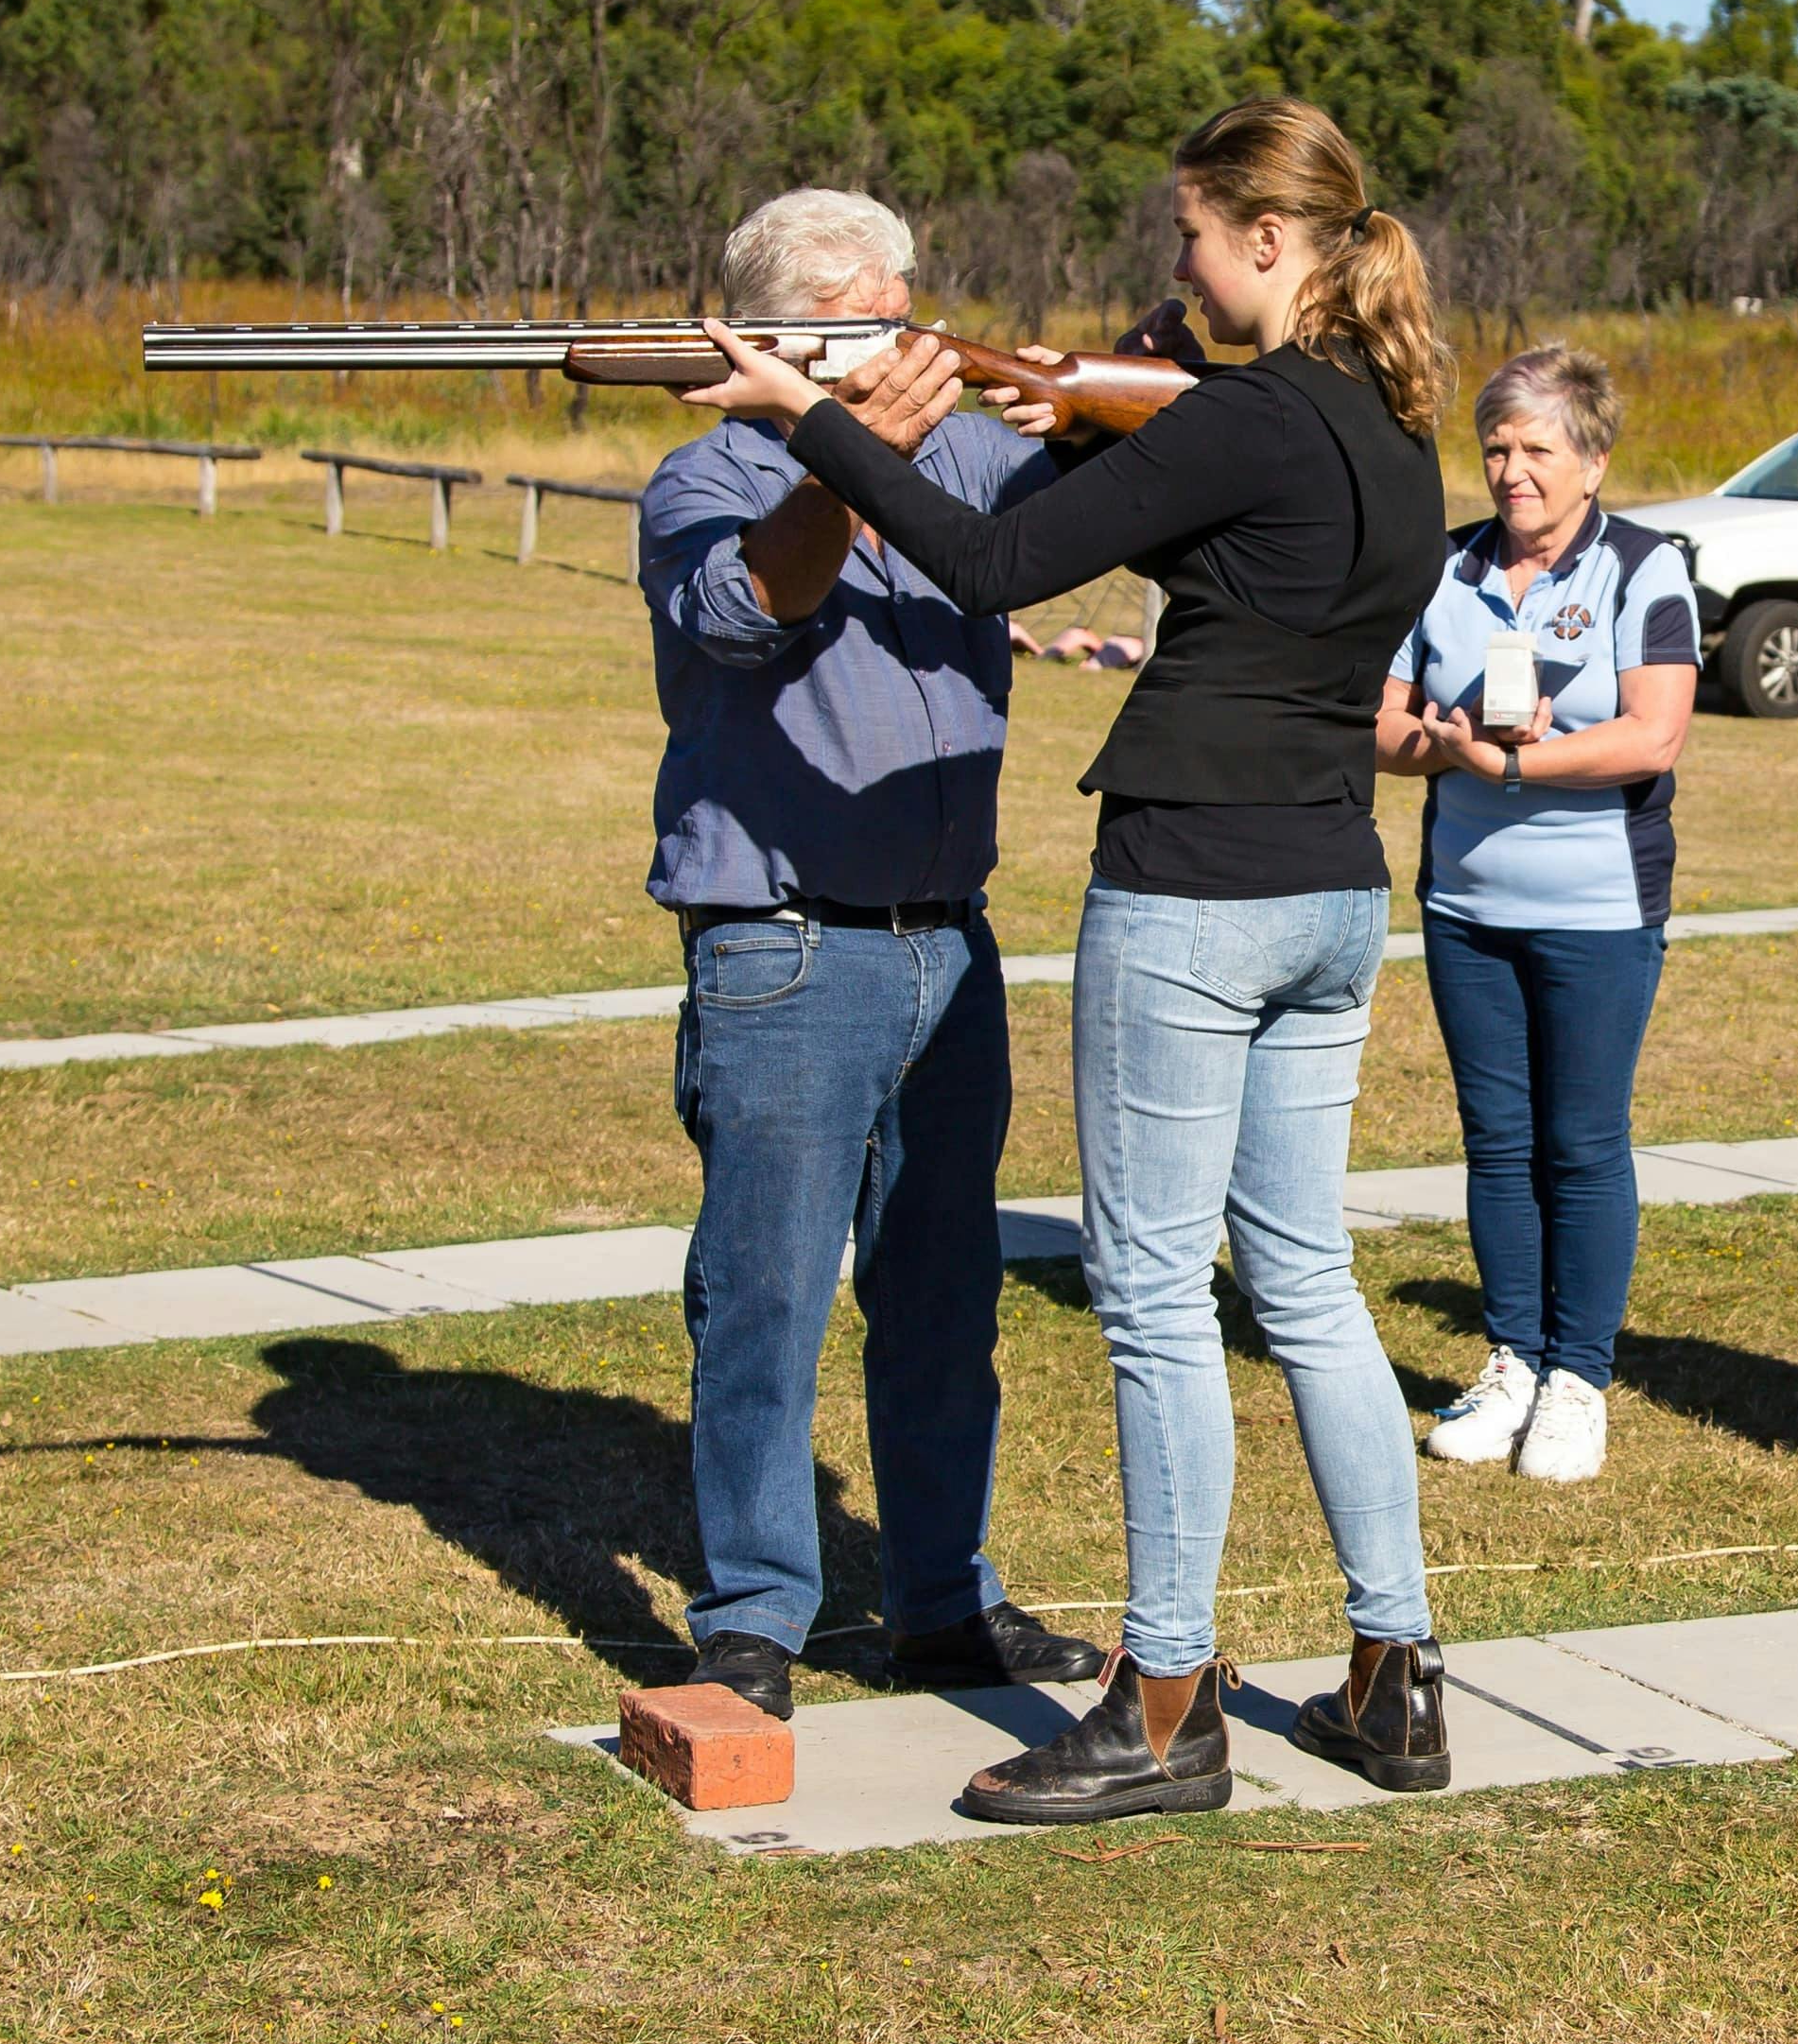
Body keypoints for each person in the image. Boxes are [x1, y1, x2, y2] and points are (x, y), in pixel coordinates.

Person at [690, 97, 1455, 1826]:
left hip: (1194, 888)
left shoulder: (1253, 410)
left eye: (1189, 238)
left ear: (1269, 241)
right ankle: (1394, 1671)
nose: (1170, 272)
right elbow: (1188, 521)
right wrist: (1062, 409)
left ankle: (1163, 1698)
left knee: (1154, 1302)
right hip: (1333, 888)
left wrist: (811, 412)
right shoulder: (1383, 433)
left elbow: (986, 558)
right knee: (1307, 1284)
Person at [635, 187, 1105, 1723]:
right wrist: (857, 461)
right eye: (868, 309)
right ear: (779, 332)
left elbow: (1136, 473)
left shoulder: (970, 448)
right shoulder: (704, 473)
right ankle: (755, 1615)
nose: (908, 331)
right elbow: (739, 606)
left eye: (911, 300)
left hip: (948, 949)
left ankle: (939, 1598)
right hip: (781, 948)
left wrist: (1082, 393)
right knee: (762, 1296)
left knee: (941, 1297)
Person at [1376, 345, 1700, 1487]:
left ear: (1593, 459)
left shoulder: (1647, 568)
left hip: (1599, 907)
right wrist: (1446, 744)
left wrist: (1515, 770)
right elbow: (1381, 722)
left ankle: (1578, 1380)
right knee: (1496, 1140)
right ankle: (1511, 1358)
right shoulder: (1445, 566)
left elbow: (1652, 736)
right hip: (1465, 903)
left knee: (1582, 1140)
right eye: (1497, 449)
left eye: (1537, 450)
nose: (1513, 472)